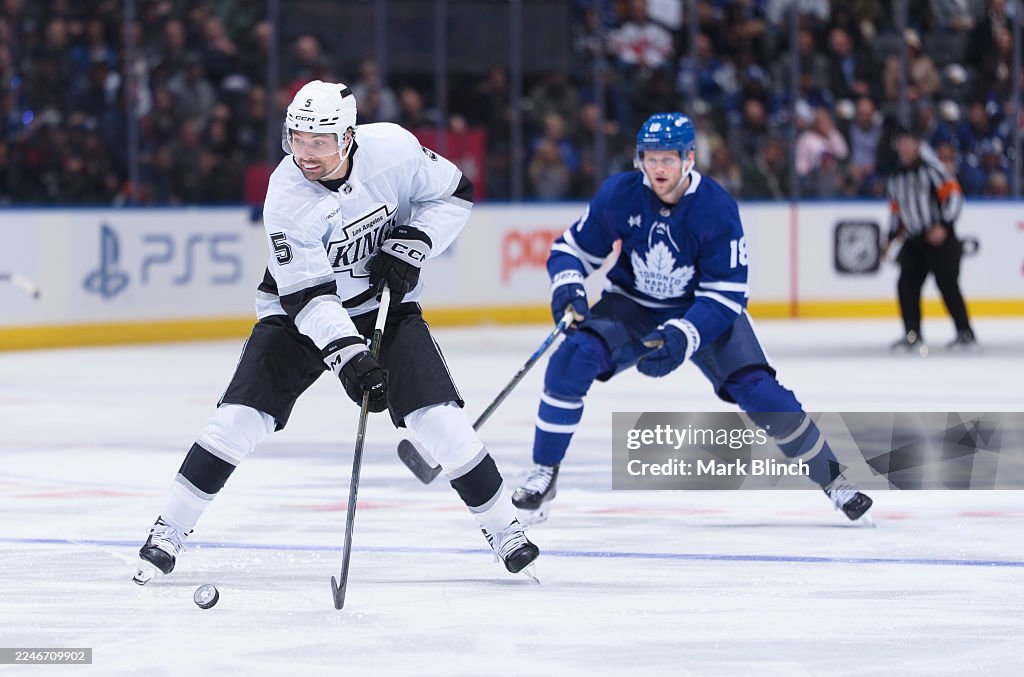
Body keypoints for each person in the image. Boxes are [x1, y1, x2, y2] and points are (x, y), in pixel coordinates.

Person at [133, 80, 539, 584]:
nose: (306, 152)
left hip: (383, 308)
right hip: (296, 314)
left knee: (441, 423)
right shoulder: (285, 195)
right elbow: (307, 296)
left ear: (348, 137)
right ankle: (168, 529)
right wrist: (351, 358)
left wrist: (414, 243)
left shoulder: (393, 147)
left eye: (319, 141)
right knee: (238, 421)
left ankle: (505, 531)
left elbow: (456, 193)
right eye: (297, 138)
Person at [511, 112, 873, 524]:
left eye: (668, 159)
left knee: (761, 394)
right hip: (633, 304)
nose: (659, 168)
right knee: (570, 359)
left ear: (689, 159)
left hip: (703, 311)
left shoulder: (716, 208)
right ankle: (545, 472)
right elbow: (570, 250)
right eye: (651, 158)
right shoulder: (621, 194)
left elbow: (726, 293)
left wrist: (683, 335)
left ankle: (835, 480)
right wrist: (568, 287)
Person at [883, 124, 975, 353]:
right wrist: (890, 238)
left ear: (917, 146)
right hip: (915, 240)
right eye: (901, 143)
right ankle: (912, 334)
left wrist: (943, 225)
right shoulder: (896, 178)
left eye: (909, 142)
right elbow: (897, 212)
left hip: (940, 239)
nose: (904, 147)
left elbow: (954, 195)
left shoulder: (932, 170)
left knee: (947, 284)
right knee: (906, 284)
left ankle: (965, 333)